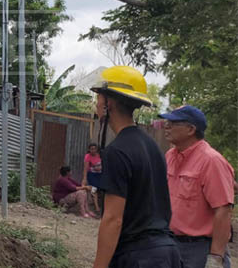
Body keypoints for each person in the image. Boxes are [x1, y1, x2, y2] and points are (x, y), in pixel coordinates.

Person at [91, 65, 182, 268]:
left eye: (98, 98)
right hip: (167, 254)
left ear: (109, 102)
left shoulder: (117, 151)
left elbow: (113, 219)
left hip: (139, 258)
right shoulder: (152, 145)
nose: (96, 104)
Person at [162, 105, 235, 268]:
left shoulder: (211, 161)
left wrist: (215, 258)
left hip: (199, 249)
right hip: (171, 244)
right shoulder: (170, 156)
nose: (167, 126)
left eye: (173, 123)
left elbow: (223, 210)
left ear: (190, 129)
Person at [83, 142, 103, 215]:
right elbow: (85, 168)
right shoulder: (88, 156)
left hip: (100, 175)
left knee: (101, 189)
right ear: (89, 149)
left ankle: (99, 204)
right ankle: (97, 207)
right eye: (91, 149)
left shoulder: (100, 155)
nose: (93, 150)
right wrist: (84, 178)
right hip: (92, 175)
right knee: (94, 189)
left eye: (94, 149)